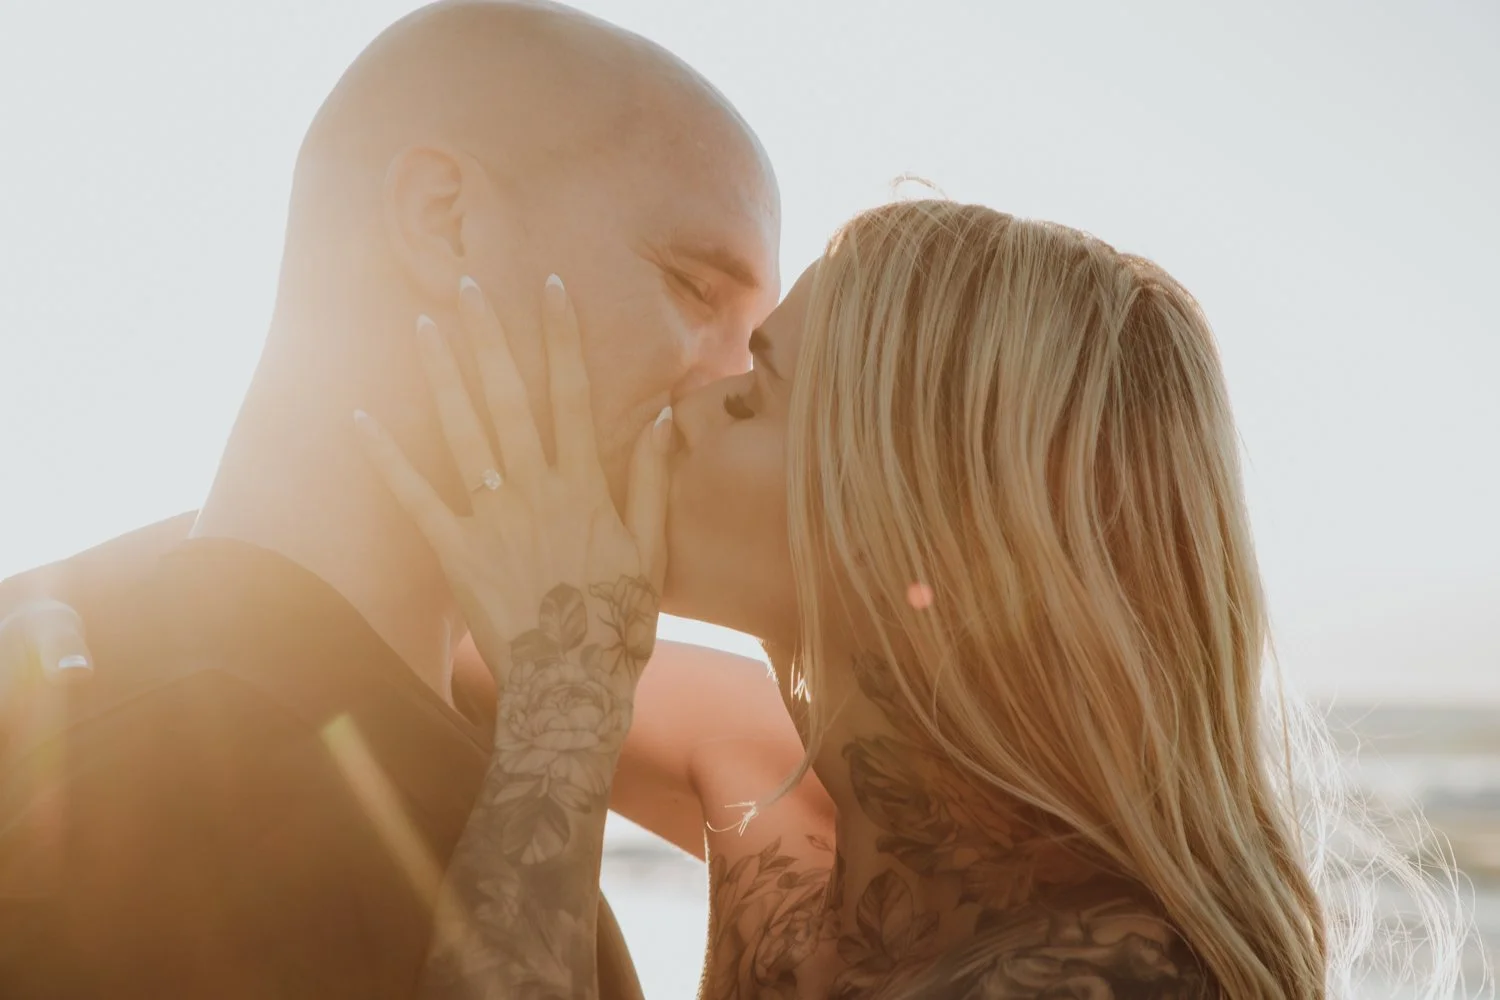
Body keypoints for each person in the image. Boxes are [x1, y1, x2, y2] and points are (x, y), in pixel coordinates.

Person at [352, 200, 1469, 998]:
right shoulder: (767, 773)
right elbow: (408, 638)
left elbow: (550, 673)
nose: (691, 404)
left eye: (757, 392)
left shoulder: (1119, 977)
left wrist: (562, 699)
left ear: (912, 511)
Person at [0, 0, 793, 996]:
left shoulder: (118, 709)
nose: (728, 385)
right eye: (693, 287)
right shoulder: (182, 793)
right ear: (441, 221)